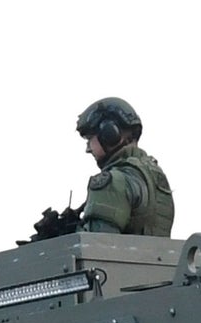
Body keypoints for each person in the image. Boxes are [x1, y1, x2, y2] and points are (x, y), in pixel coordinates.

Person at [26, 97, 175, 242]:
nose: (88, 148)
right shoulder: (154, 176)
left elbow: (96, 246)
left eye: (90, 138)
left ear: (109, 134)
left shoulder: (111, 183)